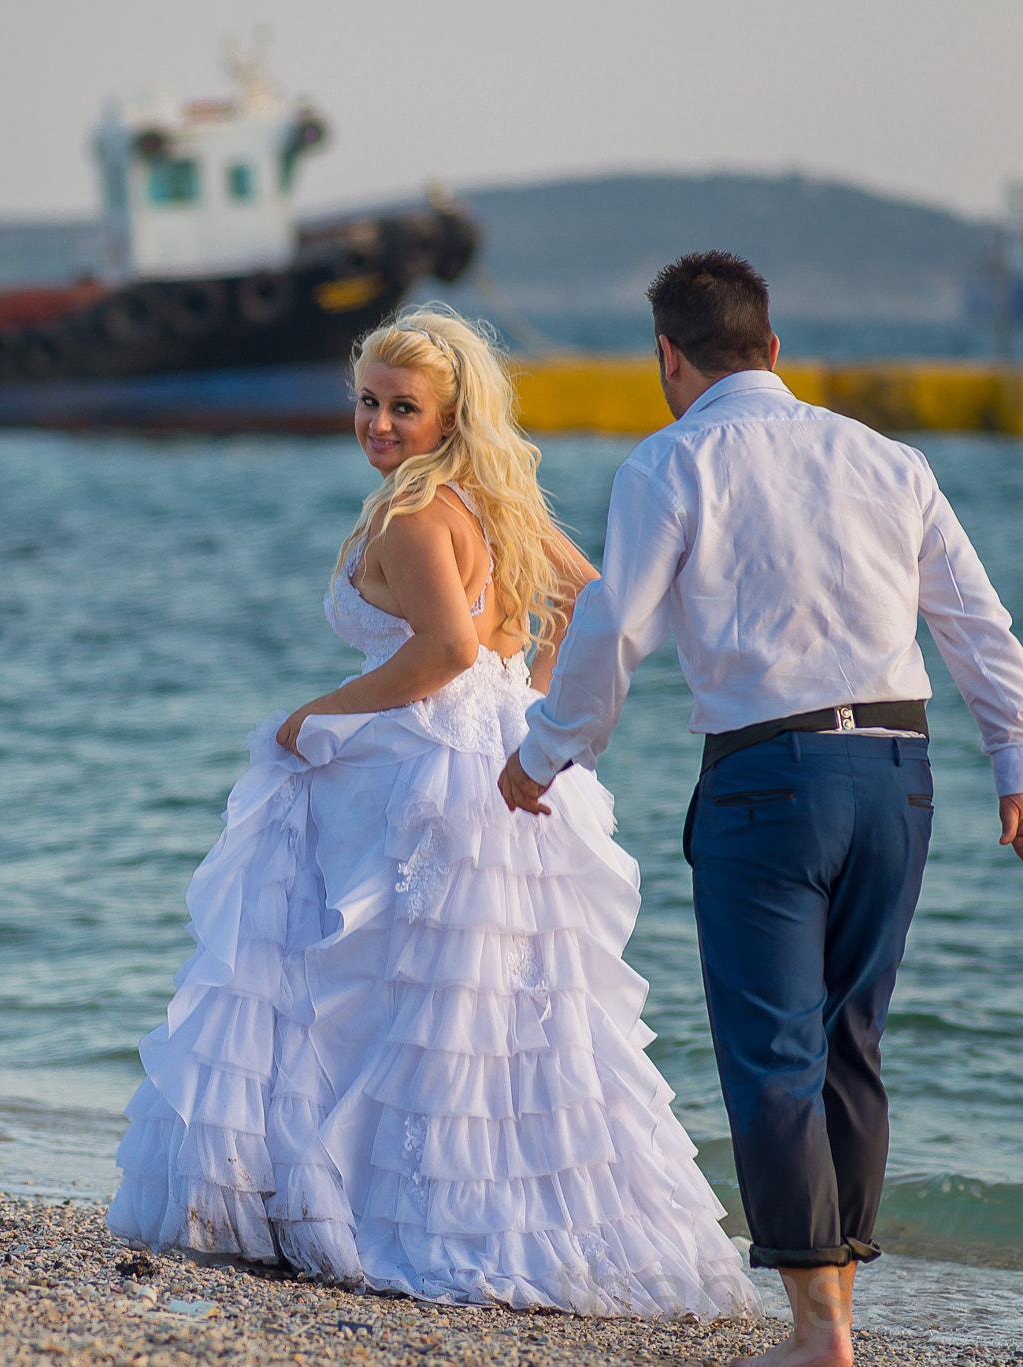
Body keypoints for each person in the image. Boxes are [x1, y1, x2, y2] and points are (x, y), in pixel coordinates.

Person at [107, 304, 758, 1320]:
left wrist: (306, 718)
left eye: (401, 407)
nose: (376, 424)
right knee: (481, 1008)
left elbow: (442, 653)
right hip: (499, 756)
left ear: (450, 413)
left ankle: (391, 1216)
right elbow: (584, 595)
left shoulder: (413, 516)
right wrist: (530, 699)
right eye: (364, 401)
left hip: (423, 770)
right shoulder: (489, 502)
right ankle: (486, 1217)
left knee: (394, 996)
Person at [498, 253, 1023, 1367]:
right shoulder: (887, 458)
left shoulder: (669, 460)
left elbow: (610, 629)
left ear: (665, 358)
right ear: (773, 349)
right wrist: (1013, 755)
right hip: (898, 771)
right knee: (850, 1038)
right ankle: (832, 1312)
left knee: (770, 1049)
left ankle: (815, 1333)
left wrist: (547, 752)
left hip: (764, 781)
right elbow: (976, 623)